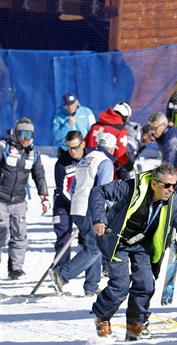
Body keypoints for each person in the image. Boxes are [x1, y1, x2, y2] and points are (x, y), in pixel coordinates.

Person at [89, 163, 177, 340]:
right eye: (167, 185)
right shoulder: (131, 188)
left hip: (142, 245)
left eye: (174, 185)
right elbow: (98, 192)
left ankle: (136, 324)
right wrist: (99, 218)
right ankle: (102, 318)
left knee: (146, 283)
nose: (171, 189)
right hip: (117, 241)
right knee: (120, 285)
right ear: (154, 183)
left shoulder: (172, 203)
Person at [50, 132, 117, 296]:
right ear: (113, 149)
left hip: (78, 207)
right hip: (90, 208)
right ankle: (62, 274)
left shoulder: (86, 159)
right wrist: (114, 208)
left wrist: (77, 203)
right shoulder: (105, 162)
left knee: (93, 246)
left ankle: (91, 286)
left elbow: (74, 187)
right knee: (95, 249)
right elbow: (104, 190)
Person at [0, 118, 49, 279]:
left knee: (19, 235)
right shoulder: (4, 148)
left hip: (19, 201)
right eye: (23, 133)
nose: (26, 138)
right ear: (16, 133)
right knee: (2, 234)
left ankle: (16, 267)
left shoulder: (33, 153)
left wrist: (44, 196)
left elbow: (39, 174)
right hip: (1, 199)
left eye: (30, 134)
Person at [52, 130, 91, 267]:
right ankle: (60, 271)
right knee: (63, 237)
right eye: (69, 148)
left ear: (83, 144)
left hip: (87, 204)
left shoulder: (92, 157)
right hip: (64, 204)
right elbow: (62, 191)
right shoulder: (61, 164)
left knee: (92, 239)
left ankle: (97, 272)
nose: (72, 151)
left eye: (75, 147)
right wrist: (78, 204)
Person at [85, 103, 133, 179]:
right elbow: (120, 154)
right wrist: (129, 166)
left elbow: (85, 144)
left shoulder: (94, 127)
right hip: (105, 170)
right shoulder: (120, 131)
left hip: (87, 166)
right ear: (125, 118)